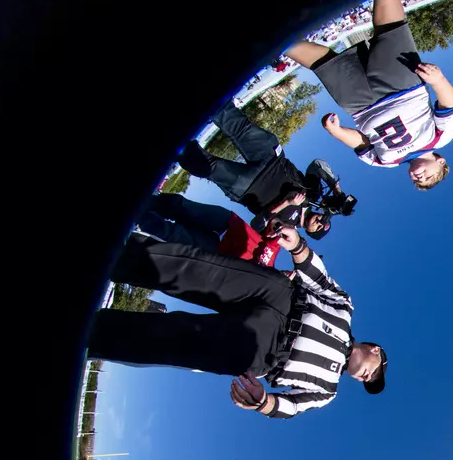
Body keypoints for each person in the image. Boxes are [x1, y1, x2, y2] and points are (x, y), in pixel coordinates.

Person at [88, 226, 388, 419]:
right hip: (279, 295)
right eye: (373, 374)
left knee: (173, 340)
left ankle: (91, 333)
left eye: (367, 383)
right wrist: (297, 245)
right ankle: (117, 256)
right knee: (194, 271)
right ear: (374, 350)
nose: (366, 379)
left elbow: (293, 406)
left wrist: (263, 403)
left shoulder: (327, 391)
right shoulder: (345, 308)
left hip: (262, 350)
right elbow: (319, 279)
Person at [284, 0, 453, 189]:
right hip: (403, 87)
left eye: (416, 181)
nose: (419, 177)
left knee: (321, 62)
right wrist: (439, 81)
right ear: (441, 162)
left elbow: (362, 143)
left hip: (359, 104)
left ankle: (278, 37)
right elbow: (449, 105)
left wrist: (337, 132)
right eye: (429, 177)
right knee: (389, 29)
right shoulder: (442, 137)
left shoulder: (385, 162)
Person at [176, 104, 355, 239]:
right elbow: (317, 165)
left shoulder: (287, 227)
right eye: (324, 220)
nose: (320, 222)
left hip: (247, 186)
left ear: (310, 233)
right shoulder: (315, 196)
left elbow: (257, 225)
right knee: (236, 123)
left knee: (205, 165)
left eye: (319, 227)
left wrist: (286, 203)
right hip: (271, 158)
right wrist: (336, 189)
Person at [135, 192, 296, 268]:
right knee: (183, 207)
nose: (288, 276)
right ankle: (150, 200)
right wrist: (276, 228)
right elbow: (269, 220)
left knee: (173, 234)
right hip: (227, 223)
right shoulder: (274, 250)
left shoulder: (264, 284)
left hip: (215, 251)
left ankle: (138, 215)